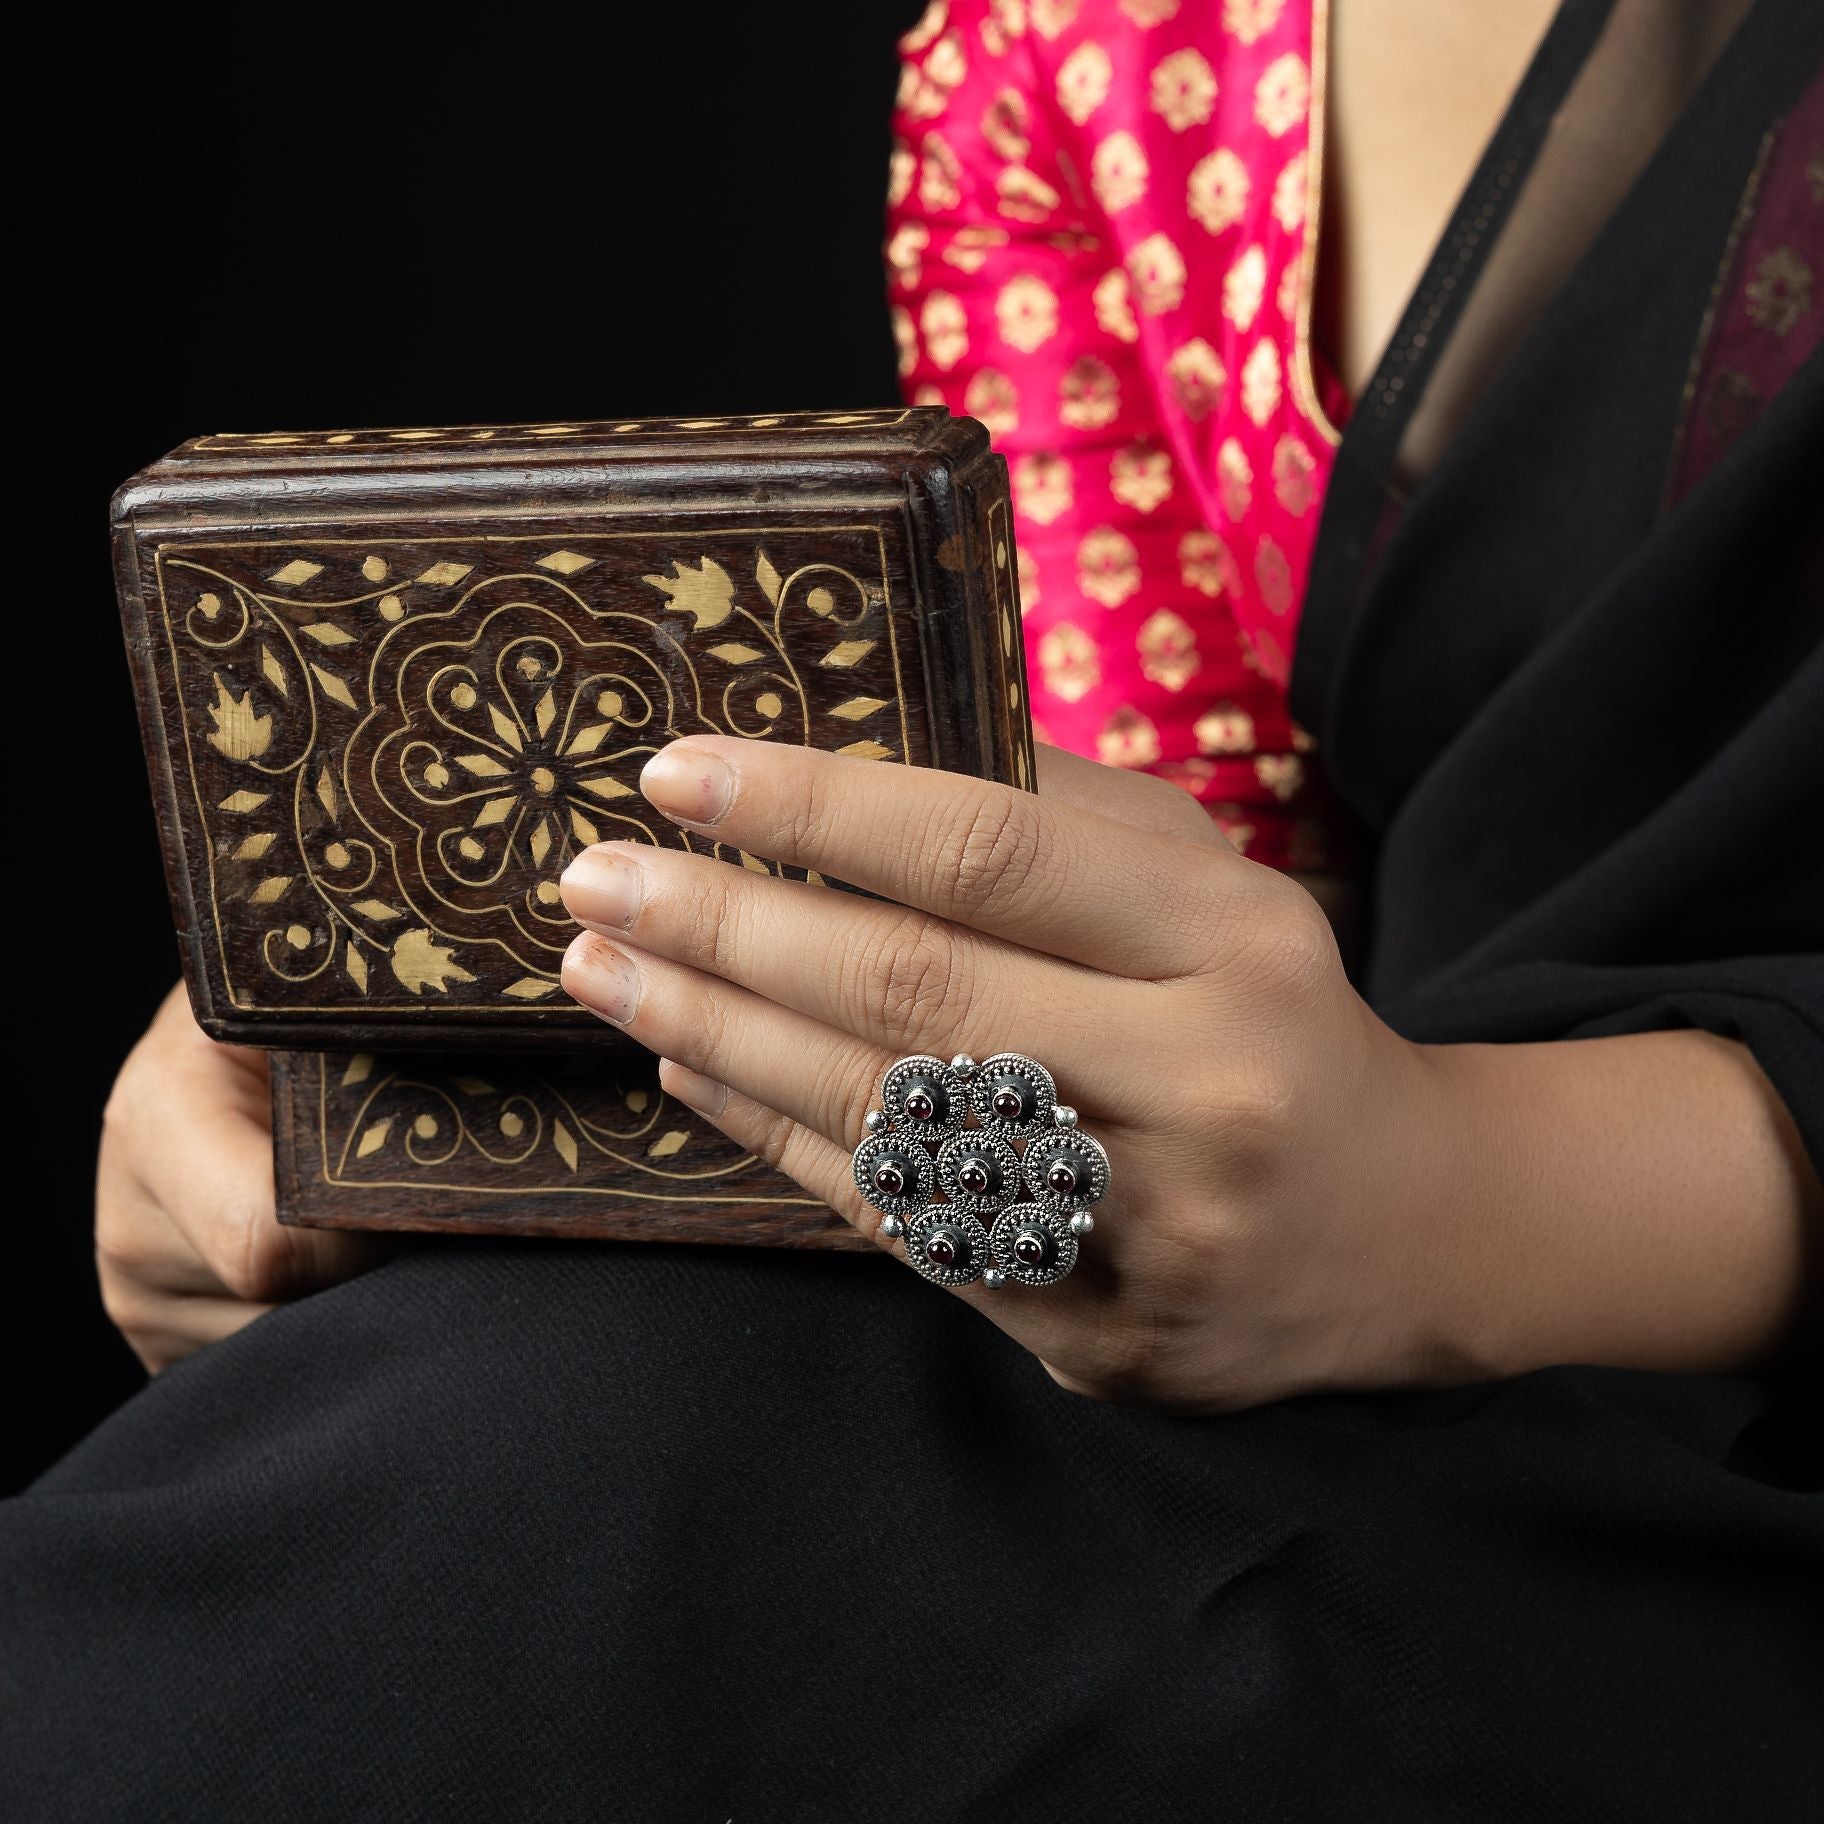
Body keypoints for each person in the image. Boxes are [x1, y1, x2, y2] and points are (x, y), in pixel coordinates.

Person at [7, 2, 1820, 1817]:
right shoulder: (1088, 56)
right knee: (462, 1452)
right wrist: (377, 1059)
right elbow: (1139, 1024)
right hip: (1272, 1350)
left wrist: (1445, 1190)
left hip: (1637, 1379)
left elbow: (1328, 1170)